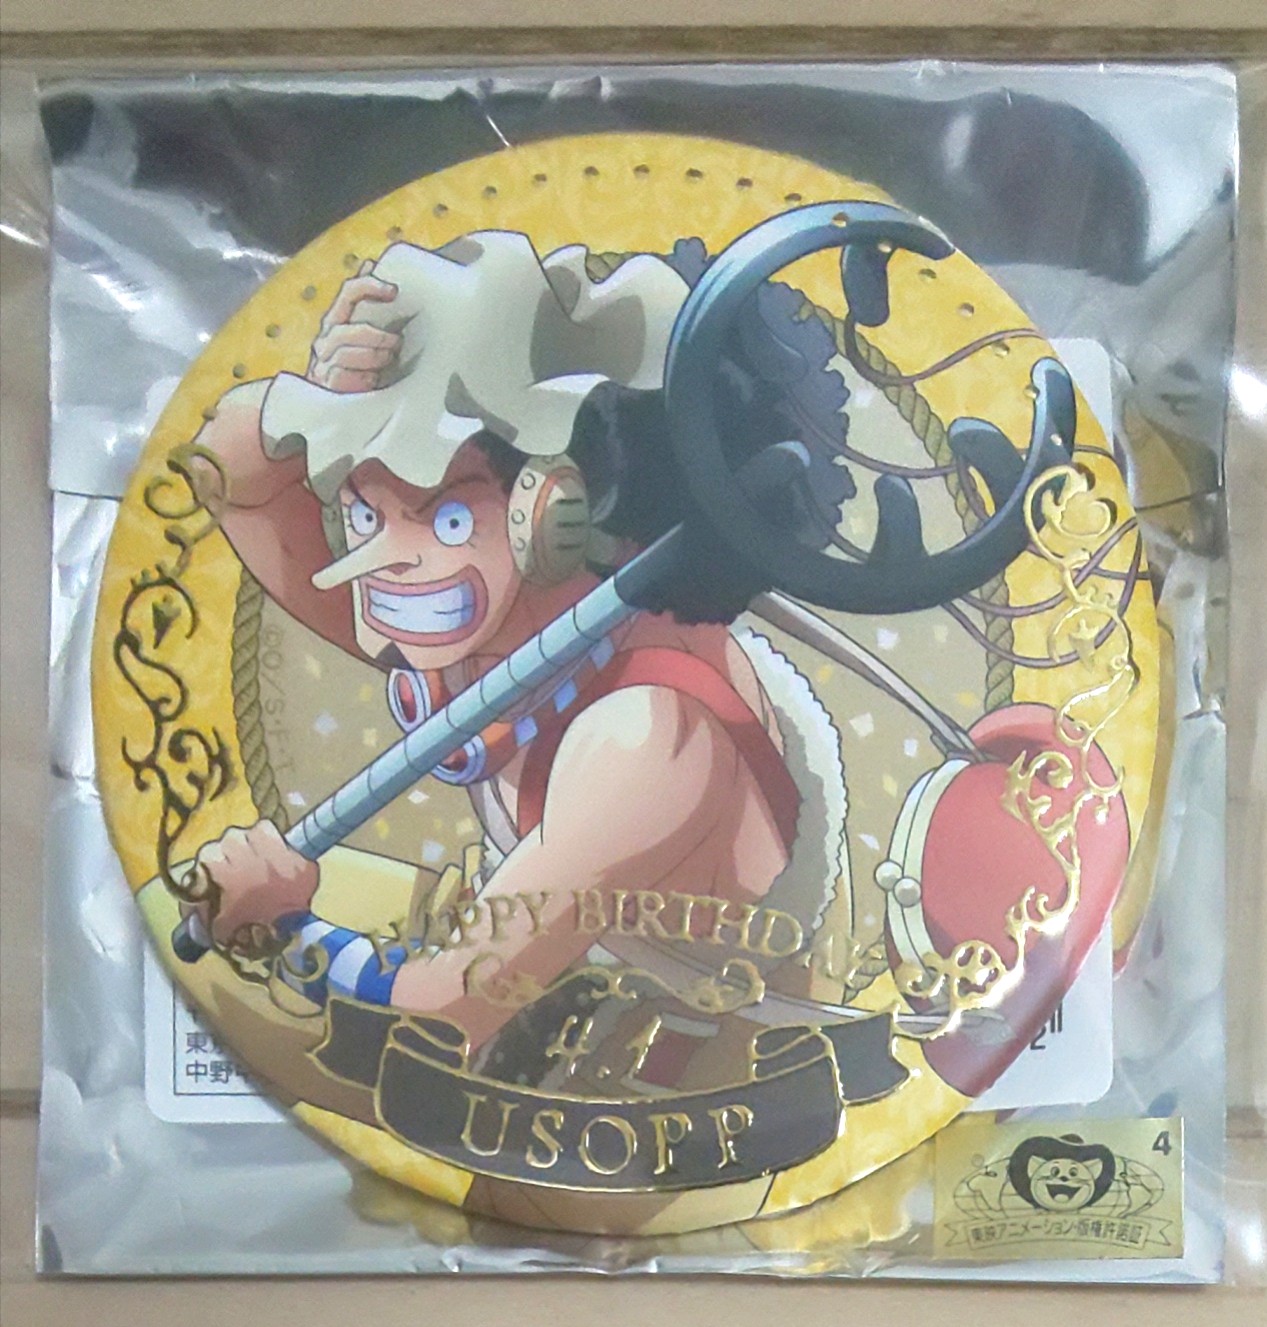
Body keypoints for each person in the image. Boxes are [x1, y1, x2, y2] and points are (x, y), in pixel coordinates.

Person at [183, 230, 853, 1059]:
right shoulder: (492, 634)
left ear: (551, 513)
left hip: (686, 1053)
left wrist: (286, 925)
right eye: (364, 510)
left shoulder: (645, 735)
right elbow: (225, 470)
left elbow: (442, 1016)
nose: (382, 558)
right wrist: (328, 398)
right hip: (559, 988)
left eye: (444, 517)